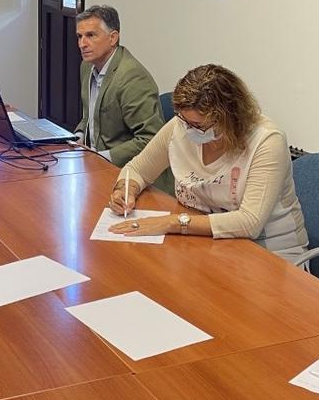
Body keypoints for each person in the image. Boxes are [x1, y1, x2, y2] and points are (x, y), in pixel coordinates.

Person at [106, 64, 308, 264]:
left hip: (270, 253)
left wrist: (172, 222)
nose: (188, 130)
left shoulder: (267, 141)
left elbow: (250, 222)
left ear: (230, 118)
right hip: (207, 243)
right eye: (184, 121)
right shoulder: (182, 126)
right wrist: (125, 191)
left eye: (199, 126)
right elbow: (137, 169)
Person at [73, 5, 164, 168]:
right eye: (79, 36)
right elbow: (90, 116)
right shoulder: (87, 66)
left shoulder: (132, 77)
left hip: (126, 170)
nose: (82, 44)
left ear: (113, 38)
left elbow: (150, 139)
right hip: (92, 163)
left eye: (90, 35)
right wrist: (77, 138)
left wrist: (101, 157)